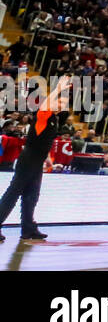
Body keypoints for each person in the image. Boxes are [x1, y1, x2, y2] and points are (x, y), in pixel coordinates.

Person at [0, 78, 71, 242]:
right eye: (59, 101)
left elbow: (43, 140)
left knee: (32, 196)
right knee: (13, 194)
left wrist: (47, 159)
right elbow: (46, 105)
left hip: (37, 160)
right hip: (28, 159)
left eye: (64, 103)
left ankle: (28, 229)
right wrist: (58, 88)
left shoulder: (55, 119)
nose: (61, 104)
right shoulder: (43, 115)